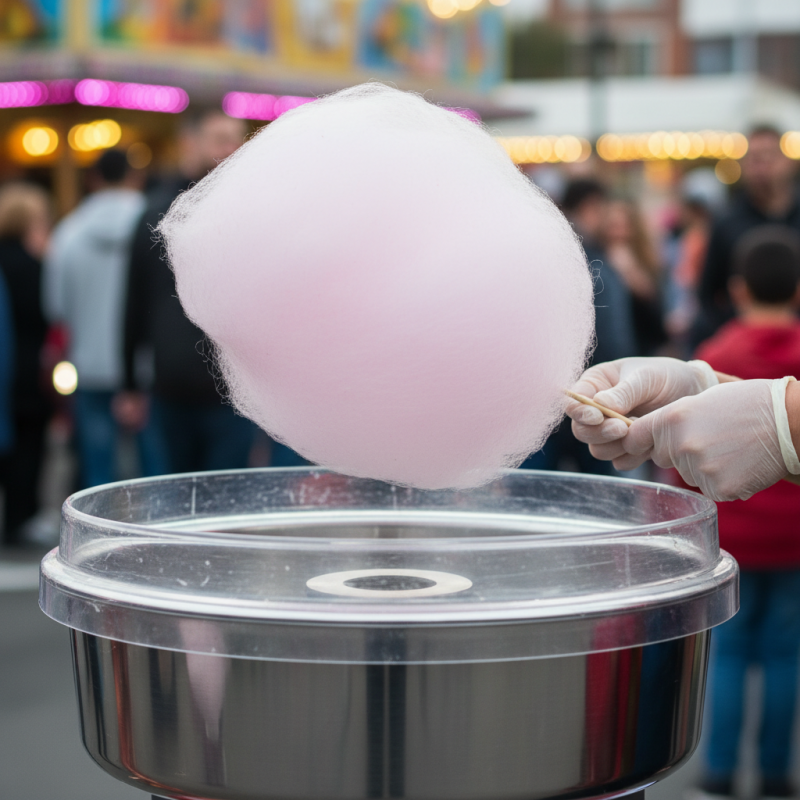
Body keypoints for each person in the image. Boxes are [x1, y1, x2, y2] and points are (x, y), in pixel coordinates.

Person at [679, 227, 800, 800]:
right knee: (785, 655)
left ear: (737, 289)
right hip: (794, 540)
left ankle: (720, 774)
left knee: (728, 655)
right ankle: (775, 773)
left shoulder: (714, 358)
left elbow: (686, 459)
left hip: (734, 540)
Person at [118, 110, 259, 474]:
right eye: (220, 140)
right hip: (171, 392)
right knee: (173, 493)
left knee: (227, 497)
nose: (231, 150)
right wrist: (129, 384)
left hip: (235, 396)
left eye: (237, 140)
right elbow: (134, 301)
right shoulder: (156, 212)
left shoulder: (251, 213)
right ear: (188, 142)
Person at [43, 149, 164, 487]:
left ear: (93, 179)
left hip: (90, 365)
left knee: (98, 479)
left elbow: (56, 308)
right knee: (156, 477)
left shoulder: (68, 234)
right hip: (146, 367)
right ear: (134, 177)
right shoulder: (156, 227)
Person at [521, 178, 636, 473]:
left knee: (538, 487)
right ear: (591, 207)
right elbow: (611, 337)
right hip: (587, 397)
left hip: (552, 401)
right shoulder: (588, 258)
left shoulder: (548, 251)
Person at [695, 125, 800, 344]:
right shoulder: (726, 222)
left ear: (787, 161)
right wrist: (729, 333)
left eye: (769, 156)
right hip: (745, 345)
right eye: (754, 158)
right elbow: (708, 292)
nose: (762, 166)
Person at [0, 182, 52, 545]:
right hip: (27, 368)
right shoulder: (34, 267)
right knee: (29, 446)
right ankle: (21, 518)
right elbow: (47, 314)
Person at [603, 198, 667, 356]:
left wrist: (630, 271)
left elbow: (655, 305)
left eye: (624, 226)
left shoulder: (648, 259)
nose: (618, 233)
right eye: (613, 226)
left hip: (644, 344)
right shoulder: (598, 260)